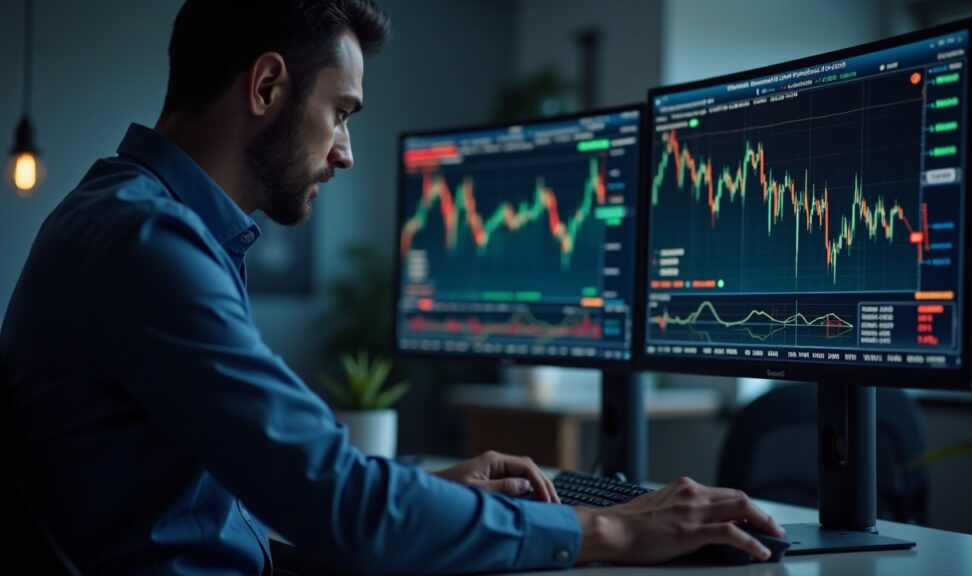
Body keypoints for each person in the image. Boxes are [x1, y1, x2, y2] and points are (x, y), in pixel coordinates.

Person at [0, 0, 784, 573]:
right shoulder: (148, 243)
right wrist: (608, 532)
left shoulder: (134, 221)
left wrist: (414, 489)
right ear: (267, 87)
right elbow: (336, 508)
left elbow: (252, 494)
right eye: (341, 112)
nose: (345, 152)